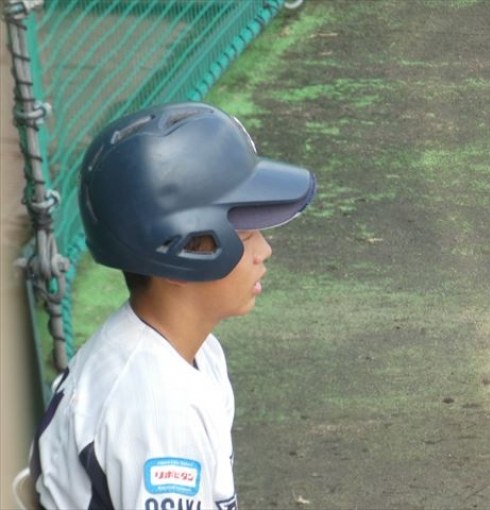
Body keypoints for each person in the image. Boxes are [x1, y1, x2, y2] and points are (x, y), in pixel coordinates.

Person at [28, 101, 316, 510]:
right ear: (180, 250)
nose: (264, 250)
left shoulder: (194, 352)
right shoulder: (158, 411)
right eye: (246, 235)